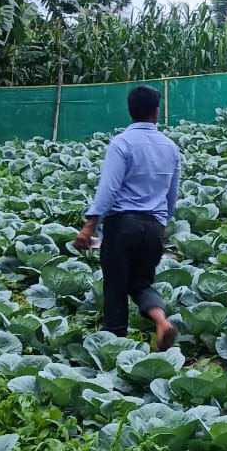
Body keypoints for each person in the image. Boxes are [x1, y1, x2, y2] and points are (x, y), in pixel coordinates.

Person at [74, 85, 180, 351]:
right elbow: (172, 193)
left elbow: (108, 189)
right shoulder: (170, 147)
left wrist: (90, 226)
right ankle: (161, 321)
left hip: (123, 225)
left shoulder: (122, 143)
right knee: (141, 282)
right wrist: (162, 225)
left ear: (130, 111)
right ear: (156, 112)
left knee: (116, 285)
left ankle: (115, 344)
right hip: (154, 226)